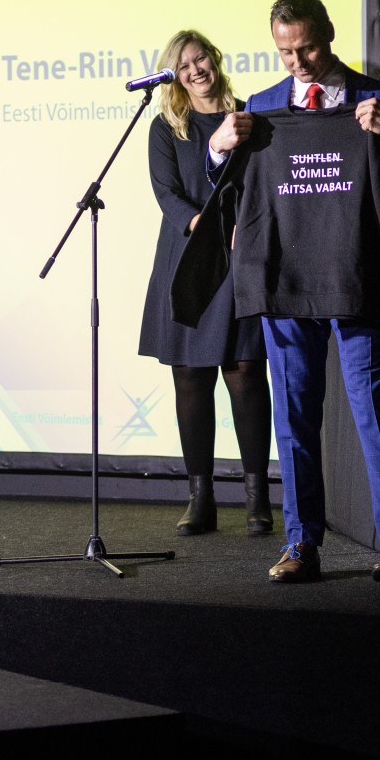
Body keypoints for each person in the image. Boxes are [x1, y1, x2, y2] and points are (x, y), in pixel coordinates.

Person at [205, 0, 380, 584]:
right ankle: (301, 544)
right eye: (286, 52)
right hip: (285, 284)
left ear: (329, 34)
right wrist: (217, 147)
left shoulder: (379, 99)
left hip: (358, 281)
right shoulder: (260, 108)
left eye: (307, 48)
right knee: (294, 419)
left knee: (374, 412)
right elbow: (225, 189)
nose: (299, 62)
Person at [138, 29, 274, 538]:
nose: (196, 70)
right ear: (174, 76)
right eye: (184, 65)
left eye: (201, 60)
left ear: (215, 60)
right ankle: (201, 499)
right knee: (191, 378)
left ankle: (258, 498)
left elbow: (262, 187)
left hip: (240, 260)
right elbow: (167, 196)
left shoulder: (249, 117)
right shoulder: (165, 128)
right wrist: (206, 228)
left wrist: (248, 228)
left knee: (245, 372)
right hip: (189, 260)